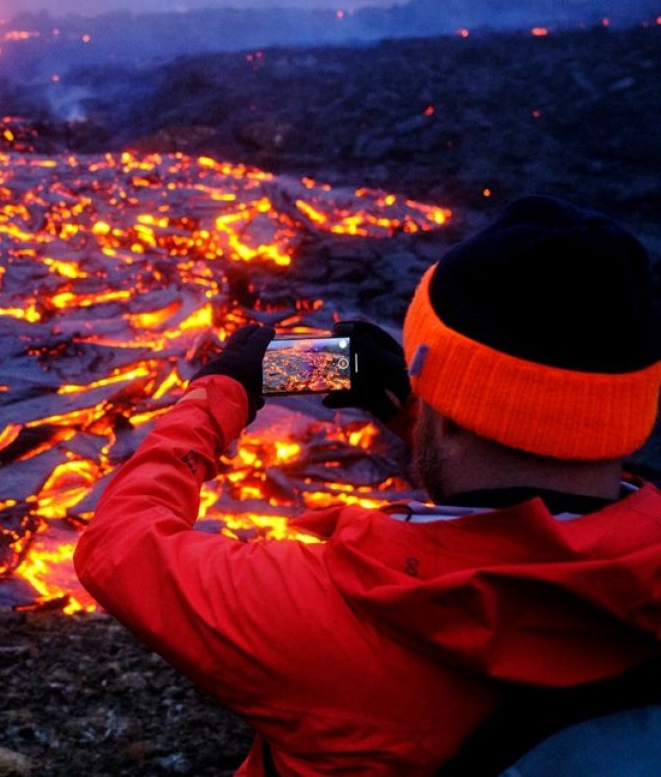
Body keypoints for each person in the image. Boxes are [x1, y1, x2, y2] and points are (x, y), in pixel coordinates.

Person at [74, 195, 661, 776]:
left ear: (453, 406)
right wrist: (414, 411)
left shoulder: (331, 611)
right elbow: (517, 503)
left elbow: (118, 543)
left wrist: (221, 392)